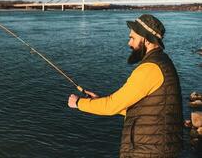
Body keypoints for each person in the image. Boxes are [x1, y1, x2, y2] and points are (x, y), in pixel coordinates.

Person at [68, 14, 183, 158]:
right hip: (158, 147)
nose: (129, 43)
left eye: (133, 38)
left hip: (149, 151)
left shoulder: (150, 69)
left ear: (146, 40)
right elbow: (143, 108)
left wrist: (79, 103)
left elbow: (111, 106)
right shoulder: (163, 62)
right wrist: (98, 100)